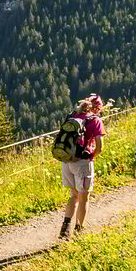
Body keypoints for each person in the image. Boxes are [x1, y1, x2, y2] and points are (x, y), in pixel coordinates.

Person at [55, 95, 105, 240]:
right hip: (83, 162)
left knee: (74, 195)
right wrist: (91, 157)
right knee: (84, 198)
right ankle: (78, 232)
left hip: (67, 161)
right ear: (96, 108)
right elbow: (100, 147)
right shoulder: (95, 120)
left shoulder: (72, 116)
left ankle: (65, 229)